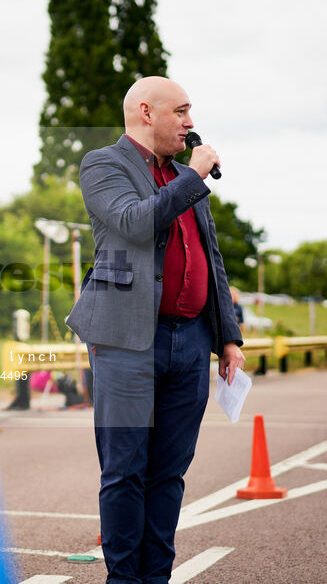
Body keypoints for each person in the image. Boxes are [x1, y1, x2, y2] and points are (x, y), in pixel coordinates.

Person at [66, 77, 245, 583]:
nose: (191, 123)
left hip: (190, 342)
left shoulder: (186, 179)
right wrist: (195, 178)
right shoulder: (105, 164)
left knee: (168, 475)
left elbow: (212, 258)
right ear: (147, 112)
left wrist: (227, 337)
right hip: (126, 340)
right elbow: (134, 223)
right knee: (125, 473)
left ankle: (156, 578)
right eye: (182, 112)